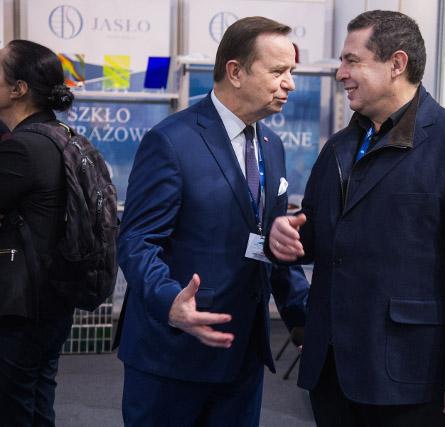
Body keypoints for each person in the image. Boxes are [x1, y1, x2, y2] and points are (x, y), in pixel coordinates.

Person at [268, 10, 445, 427]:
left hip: (412, 380)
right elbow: (318, 238)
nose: (340, 73)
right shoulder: (339, 148)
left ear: (397, 64)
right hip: (332, 374)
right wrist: (285, 237)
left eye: (352, 61)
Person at [117, 16, 309, 426]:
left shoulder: (271, 145)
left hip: (242, 358)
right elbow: (136, 241)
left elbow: (271, 242)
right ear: (235, 72)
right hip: (172, 356)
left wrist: (303, 320)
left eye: (292, 71)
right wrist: (170, 301)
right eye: (278, 71)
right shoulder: (171, 141)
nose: (290, 84)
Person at [0, 40, 75, 426]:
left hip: (21, 303)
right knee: (38, 401)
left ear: (18, 89)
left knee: (13, 407)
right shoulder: (61, 135)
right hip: (54, 295)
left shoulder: (23, 148)